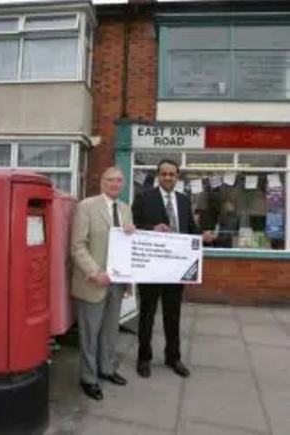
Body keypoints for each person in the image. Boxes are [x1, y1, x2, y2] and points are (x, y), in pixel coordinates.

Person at [132, 159, 214, 379]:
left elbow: (190, 229)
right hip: (151, 267)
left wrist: (201, 236)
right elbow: (133, 228)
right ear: (158, 176)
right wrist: (152, 228)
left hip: (176, 269)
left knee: (173, 315)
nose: (168, 177)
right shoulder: (143, 198)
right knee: (147, 315)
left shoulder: (184, 200)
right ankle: (144, 358)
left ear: (177, 177)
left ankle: (173, 357)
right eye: (164, 174)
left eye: (172, 174)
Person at [71, 166, 134, 400]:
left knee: (109, 331)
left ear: (123, 184)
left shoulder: (126, 209)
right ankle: (88, 378)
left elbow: (128, 248)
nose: (115, 184)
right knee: (90, 334)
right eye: (110, 179)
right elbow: (77, 245)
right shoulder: (86, 206)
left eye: (119, 180)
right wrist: (94, 272)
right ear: (101, 182)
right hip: (93, 282)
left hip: (117, 283)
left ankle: (106, 369)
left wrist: (128, 280)